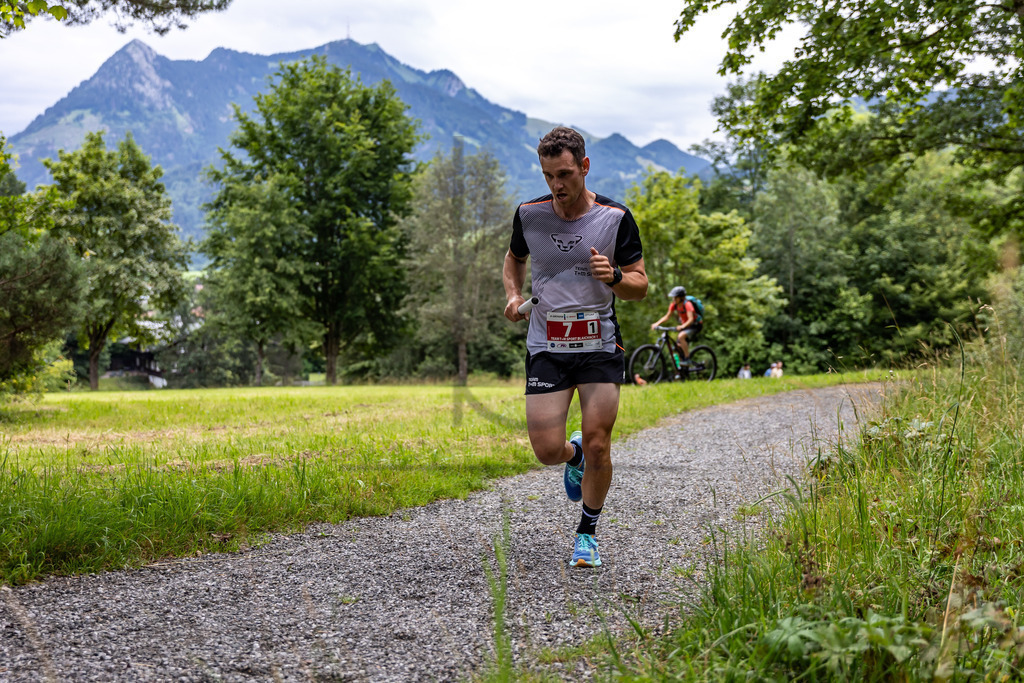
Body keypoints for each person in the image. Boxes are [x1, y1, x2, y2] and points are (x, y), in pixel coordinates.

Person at [503, 126, 648, 568]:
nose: (557, 185)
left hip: (599, 345)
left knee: (601, 442)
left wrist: (616, 278)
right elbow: (514, 259)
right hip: (546, 343)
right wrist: (512, 295)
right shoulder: (529, 215)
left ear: (584, 167)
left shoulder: (614, 218)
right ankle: (574, 454)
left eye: (564, 174)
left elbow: (640, 286)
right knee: (547, 450)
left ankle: (587, 532)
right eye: (548, 176)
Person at [650, 285, 703, 363]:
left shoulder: (687, 304)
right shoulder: (674, 304)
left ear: (681, 298)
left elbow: (691, 319)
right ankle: (681, 369)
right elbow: (667, 316)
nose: (673, 299)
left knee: (681, 336)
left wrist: (682, 326)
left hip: (695, 325)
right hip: (685, 326)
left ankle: (687, 359)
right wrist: (657, 323)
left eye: (675, 297)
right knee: (676, 348)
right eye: (673, 297)